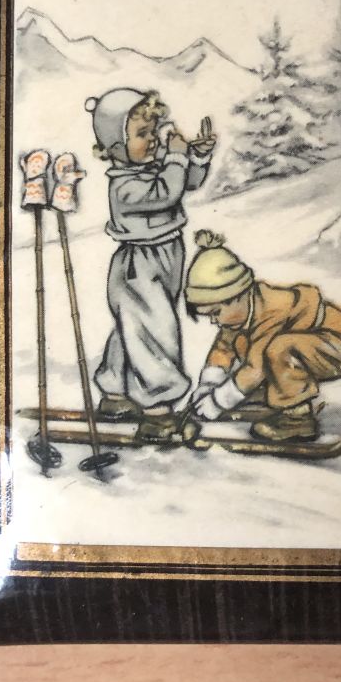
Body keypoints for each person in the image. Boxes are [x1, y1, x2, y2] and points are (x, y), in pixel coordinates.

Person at [85, 88, 216, 441]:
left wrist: (197, 157)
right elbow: (167, 192)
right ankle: (158, 409)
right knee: (153, 332)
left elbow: (185, 182)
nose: (154, 139)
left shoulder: (153, 166)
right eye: (142, 134)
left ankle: (116, 391)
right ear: (115, 147)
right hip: (138, 265)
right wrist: (176, 158)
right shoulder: (124, 186)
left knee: (134, 329)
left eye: (154, 131)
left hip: (165, 255)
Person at [183, 230, 341, 443]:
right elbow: (222, 351)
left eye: (215, 312)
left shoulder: (272, 309)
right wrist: (208, 388)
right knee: (247, 345)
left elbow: (255, 368)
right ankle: (273, 396)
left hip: (335, 345)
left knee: (278, 348)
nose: (214, 320)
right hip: (308, 348)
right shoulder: (238, 315)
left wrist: (219, 401)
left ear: (237, 296)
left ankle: (297, 418)